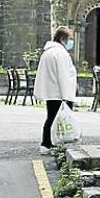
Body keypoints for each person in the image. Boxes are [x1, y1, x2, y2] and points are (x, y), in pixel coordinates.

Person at [34, 26, 77, 154]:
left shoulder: (48, 52)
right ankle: (48, 143)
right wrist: (67, 96)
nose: (71, 42)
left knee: (51, 118)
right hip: (59, 92)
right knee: (56, 119)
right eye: (70, 39)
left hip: (51, 92)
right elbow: (63, 75)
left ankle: (48, 143)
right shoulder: (60, 53)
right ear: (63, 39)